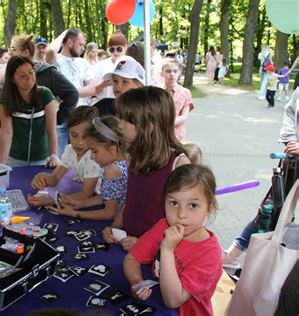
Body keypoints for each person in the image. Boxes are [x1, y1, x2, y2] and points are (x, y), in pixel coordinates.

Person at [123, 164, 222, 315]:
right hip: (155, 304)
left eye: (193, 205)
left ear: (209, 208)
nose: (181, 214)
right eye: (174, 203)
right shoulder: (163, 225)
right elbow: (132, 258)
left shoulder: (210, 254)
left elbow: (173, 300)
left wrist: (167, 250)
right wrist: (137, 282)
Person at [102, 87, 190, 251]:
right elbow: (131, 199)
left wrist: (148, 245)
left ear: (148, 127)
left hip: (157, 255)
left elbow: (183, 225)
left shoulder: (179, 164)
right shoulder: (133, 157)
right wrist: (115, 226)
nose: (119, 125)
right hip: (127, 243)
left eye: (125, 119)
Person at [222, 87, 299, 268]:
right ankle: (234, 254)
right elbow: (290, 112)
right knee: (270, 210)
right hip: (295, 160)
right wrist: (291, 141)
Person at [5, 34, 79, 157]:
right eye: (23, 76)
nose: (9, 53)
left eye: (13, 49)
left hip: (49, 134)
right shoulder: (10, 74)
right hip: (22, 138)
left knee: (51, 167)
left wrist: (58, 119)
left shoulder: (47, 72)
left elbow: (72, 93)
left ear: (25, 52)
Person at [49, 116, 128, 220]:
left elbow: (109, 213)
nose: (91, 156)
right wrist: (80, 204)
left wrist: (73, 213)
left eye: (95, 151)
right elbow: (108, 197)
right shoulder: (122, 162)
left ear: (113, 150)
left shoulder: (112, 170)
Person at [29, 106, 101, 207]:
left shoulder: (94, 156)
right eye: (74, 135)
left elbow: (86, 194)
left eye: (85, 137)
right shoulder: (70, 150)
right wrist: (42, 178)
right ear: (68, 131)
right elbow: (55, 179)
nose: (79, 143)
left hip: (103, 199)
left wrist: (51, 201)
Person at [0, 55, 58, 167]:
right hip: (15, 159)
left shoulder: (45, 94)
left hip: (42, 159)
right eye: (22, 76)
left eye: (31, 72)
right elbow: (6, 132)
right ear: (12, 79)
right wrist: (1, 163)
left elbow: (51, 130)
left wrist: (53, 155)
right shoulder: (6, 100)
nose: (29, 78)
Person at [46, 28, 95, 106]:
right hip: (64, 112)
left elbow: (92, 89)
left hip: (83, 111)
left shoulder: (84, 62)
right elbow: (51, 50)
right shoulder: (55, 60)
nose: (83, 48)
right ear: (70, 43)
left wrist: (69, 94)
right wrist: (65, 33)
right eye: (80, 44)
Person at [161, 59, 193, 141]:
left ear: (179, 73)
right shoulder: (158, 92)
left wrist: (168, 124)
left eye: (175, 71)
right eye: (168, 71)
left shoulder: (185, 93)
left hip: (177, 135)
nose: (172, 74)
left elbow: (184, 116)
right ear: (161, 73)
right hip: (159, 135)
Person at [93, 32, 127, 101]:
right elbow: (93, 92)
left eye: (119, 49)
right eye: (112, 49)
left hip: (125, 105)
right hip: (105, 105)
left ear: (125, 47)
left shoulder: (131, 64)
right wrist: (103, 85)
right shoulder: (100, 65)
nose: (115, 52)